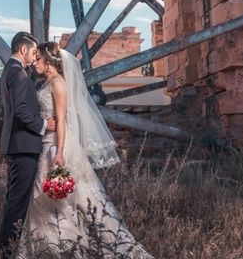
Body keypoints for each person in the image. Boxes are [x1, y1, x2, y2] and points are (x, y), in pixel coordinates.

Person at [17, 42, 154, 258]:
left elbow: (62, 120)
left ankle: (67, 247)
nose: (35, 62)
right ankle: (49, 248)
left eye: (39, 58)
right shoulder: (45, 83)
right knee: (43, 200)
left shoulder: (58, 85)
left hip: (56, 145)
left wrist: (60, 152)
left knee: (62, 199)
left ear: (49, 61)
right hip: (47, 145)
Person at [0, 32, 57, 258]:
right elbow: (21, 111)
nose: (34, 58)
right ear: (23, 50)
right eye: (33, 53)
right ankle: (7, 253)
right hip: (23, 146)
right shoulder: (19, 74)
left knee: (14, 201)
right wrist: (45, 125)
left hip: (15, 145)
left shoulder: (9, 71)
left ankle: (5, 250)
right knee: (17, 204)